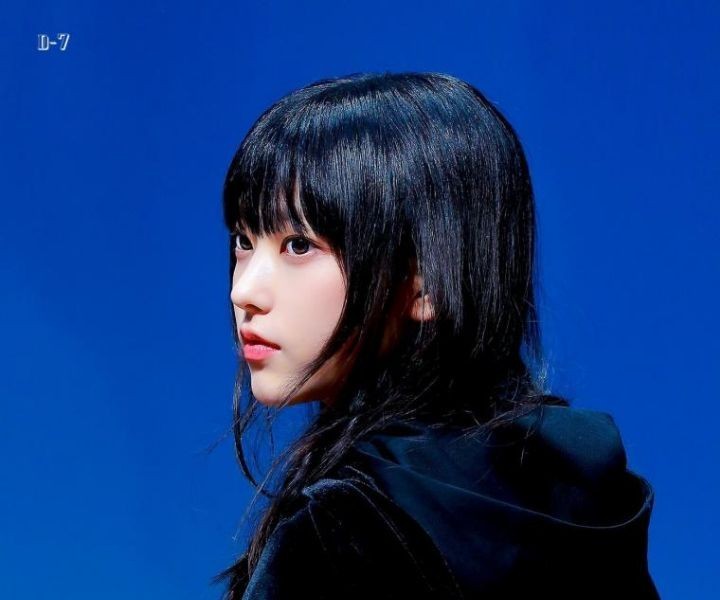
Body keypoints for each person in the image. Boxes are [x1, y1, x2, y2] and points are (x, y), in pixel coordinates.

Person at [212, 71, 660, 599]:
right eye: (244, 241)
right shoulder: (581, 491)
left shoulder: (342, 537)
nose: (244, 290)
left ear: (426, 284)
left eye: (299, 245)